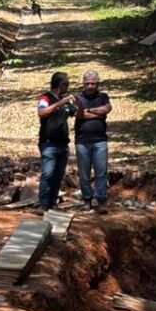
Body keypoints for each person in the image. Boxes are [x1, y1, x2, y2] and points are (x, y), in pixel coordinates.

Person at [36, 71, 77, 213]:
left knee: (58, 176)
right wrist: (60, 103)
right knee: (48, 174)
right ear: (61, 85)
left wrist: (78, 102)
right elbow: (41, 112)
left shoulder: (65, 101)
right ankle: (43, 204)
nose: (67, 88)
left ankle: (53, 203)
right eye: (67, 85)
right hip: (49, 143)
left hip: (63, 144)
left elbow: (77, 113)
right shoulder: (46, 97)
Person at [74, 70, 112, 214]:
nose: (90, 86)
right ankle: (87, 200)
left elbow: (106, 110)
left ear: (98, 84)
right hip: (82, 141)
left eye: (93, 83)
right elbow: (78, 115)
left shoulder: (103, 97)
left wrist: (88, 110)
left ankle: (101, 201)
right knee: (84, 174)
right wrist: (96, 113)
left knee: (101, 172)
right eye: (87, 83)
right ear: (84, 84)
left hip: (100, 141)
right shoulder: (78, 98)